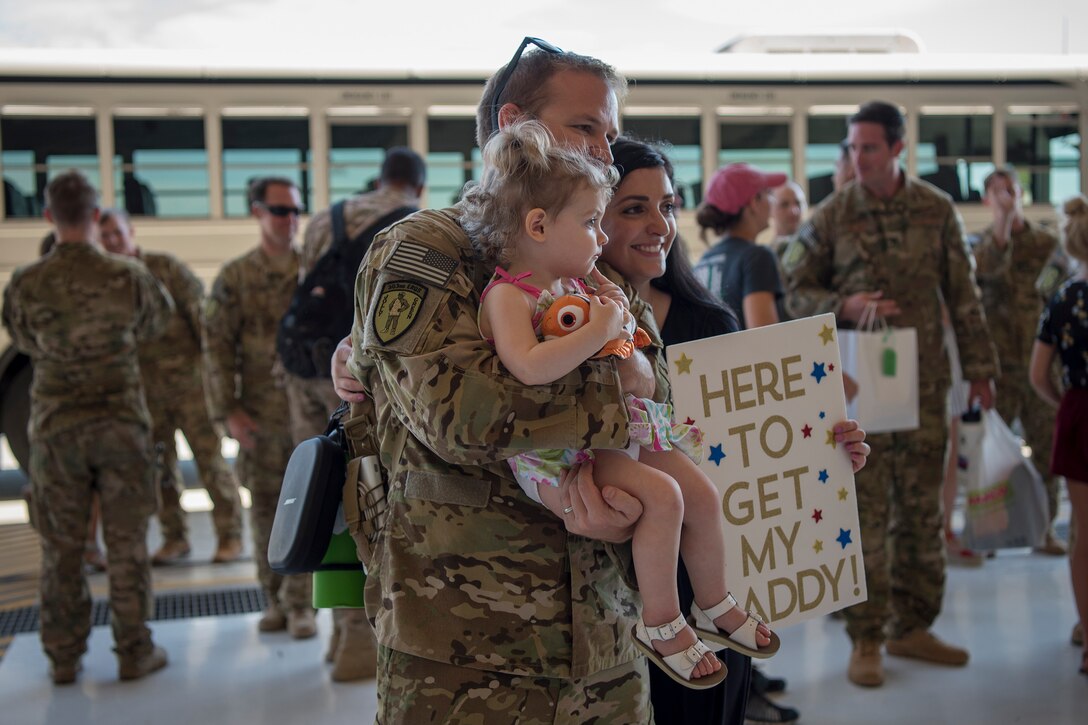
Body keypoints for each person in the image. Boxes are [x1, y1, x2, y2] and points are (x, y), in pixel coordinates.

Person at [338, 40, 665, 723]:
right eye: (586, 129)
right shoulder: (426, 250)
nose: (606, 154)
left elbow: (659, 383)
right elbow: (464, 417)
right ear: (515, 123)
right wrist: (611, 392)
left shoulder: (585, 254)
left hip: (606, 640)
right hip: (466, 656)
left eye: (611, 135)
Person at [463, 119, 786, 690]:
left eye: (667, 206)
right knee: (663, 497)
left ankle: (713, 602)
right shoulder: (510, 294)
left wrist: (616, 320)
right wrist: (605, 327)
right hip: (571, 448)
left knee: (703, 493)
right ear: (538, 225)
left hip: (621, 428)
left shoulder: (584, 286)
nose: (601, 239)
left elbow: (638, 366)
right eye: (594, 222)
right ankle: (662, 624)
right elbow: (531, 366)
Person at [601, 137, 861, 723]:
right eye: (633, 207)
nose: (658, 225)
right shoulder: (556, 330)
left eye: (666, 206)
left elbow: (759, 443)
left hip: (713, 600)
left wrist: (826, 446)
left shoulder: (708, 321)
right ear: (592, 214)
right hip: (606, 606)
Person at [782, 100, 999, 688]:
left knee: (924, 512)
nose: (857, 158)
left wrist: (980, 367)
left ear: (899, 148)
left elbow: (964, 294)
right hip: (858, 391)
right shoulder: (830, 215)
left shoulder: (935, 210)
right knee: (866, 514)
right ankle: (867, 637)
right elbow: (793, 287)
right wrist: (844, 306)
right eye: (851, 148)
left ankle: (914, 624)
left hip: (925, 386)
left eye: (869, 148)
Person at [2, 170, 173, 683]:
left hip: (56, 432)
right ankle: (133, 650)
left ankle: (63, 658)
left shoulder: (26, 282)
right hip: (121, 427)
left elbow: (22, 338)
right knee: (126, 545)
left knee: (62, 548)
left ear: (48, 216)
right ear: (97, 216)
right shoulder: (127, 276)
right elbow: (156, 324)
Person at [283, 148, 424, 682]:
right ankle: (357, 648)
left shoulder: (326, 219)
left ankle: (336, 635)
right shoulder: (411, 222)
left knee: (325, 497)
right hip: (365, 383)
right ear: (416, 185)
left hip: (310, 370)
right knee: (365, 505)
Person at [98, 208, 245, 566]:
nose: (114, 241)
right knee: (159, 468)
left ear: (131, 231)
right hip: (145, 395)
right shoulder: (106, 284)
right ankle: (174, 538)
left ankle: (231, 536)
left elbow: (202, 320)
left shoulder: (164, 268)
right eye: (106, 237)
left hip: (191, 387)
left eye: (118, 233)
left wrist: (215, 379)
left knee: (211, 463)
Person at [203, 176, 315, 639]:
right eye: (279, 211)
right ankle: (272, 601)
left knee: (305, 510)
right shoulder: (236, 277)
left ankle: (302, 605)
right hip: (258, 418)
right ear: (257, 212)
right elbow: (216, 349)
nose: (290, 220)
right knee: (265, 511)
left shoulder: (310, 272)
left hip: (305, 416)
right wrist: (226, 411)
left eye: (295, 211)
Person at [973, 168, 1067, 556]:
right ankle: (989, 534)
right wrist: (1002, 228)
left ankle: (1045, 530)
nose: (1006, 198)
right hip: (998, 368)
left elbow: (1058, 296)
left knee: (1046, 451)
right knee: (990, 455)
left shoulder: (1046, 244)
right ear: (986, 200)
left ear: (1022, 193)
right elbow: (981, 275)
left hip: (1039, 365)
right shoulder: (981, 246)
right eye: (997, 193)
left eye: (1010, 190)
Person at [1029, 193, 1088, 676]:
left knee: (1083, 535)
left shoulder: (1064, 298)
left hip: (1079, 415)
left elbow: (1037, 373)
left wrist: (1064, 404)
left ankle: (1087, 634)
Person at [692, 163, 789, 328]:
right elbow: (765, 338)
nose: (772, 201)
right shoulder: (757, 257)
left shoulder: (705, 260)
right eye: (768, 193)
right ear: (754, 203)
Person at [768, 180, 807, 259]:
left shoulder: (819, 248)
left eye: (798, 203)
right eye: (784, 204)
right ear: (770, 210)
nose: (794, 211)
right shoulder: (768, 255)